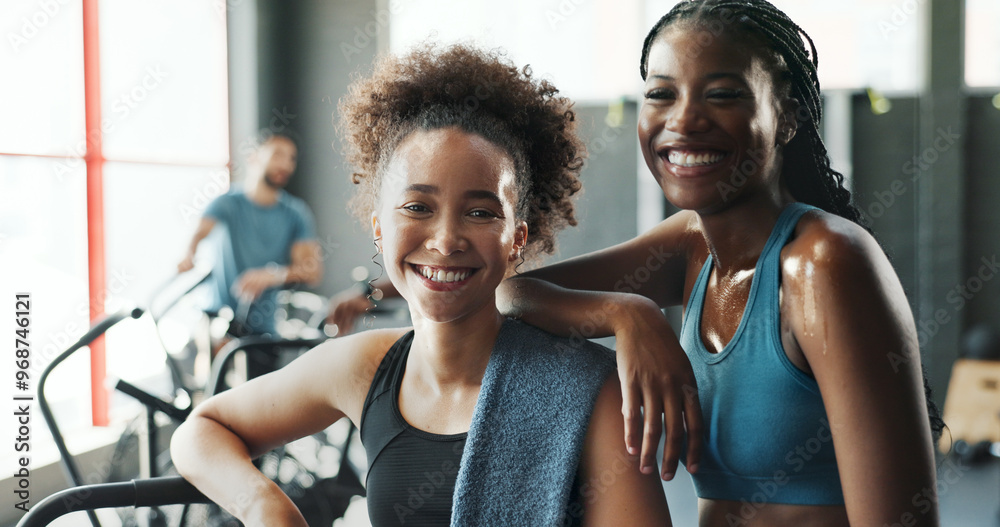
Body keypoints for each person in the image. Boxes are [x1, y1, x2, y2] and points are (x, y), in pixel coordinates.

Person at [170, 43, 671, 527]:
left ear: (517, 239)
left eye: (480, 212)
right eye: (417, 208)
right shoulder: (363, 368)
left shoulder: (591, 389)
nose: (446, 240)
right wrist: (266, 507)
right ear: (379, 228)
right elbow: (202, 429)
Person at [493, 1, 945, 525]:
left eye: (724, 94)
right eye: (661, 94)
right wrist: (627, 315)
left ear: (789, 117)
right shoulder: (691, 244)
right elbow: (513, 295)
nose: (683, 119)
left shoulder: (825, 262)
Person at [177, 133, 323, 338]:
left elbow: (311, 271)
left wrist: (271, 275)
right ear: (253, 157)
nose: (286, 164)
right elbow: (200, 233)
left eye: (291, 158)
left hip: (263, 330)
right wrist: (189, 255)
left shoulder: (296, 214)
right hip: (217, 322)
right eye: (277, 155)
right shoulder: (227, 204)